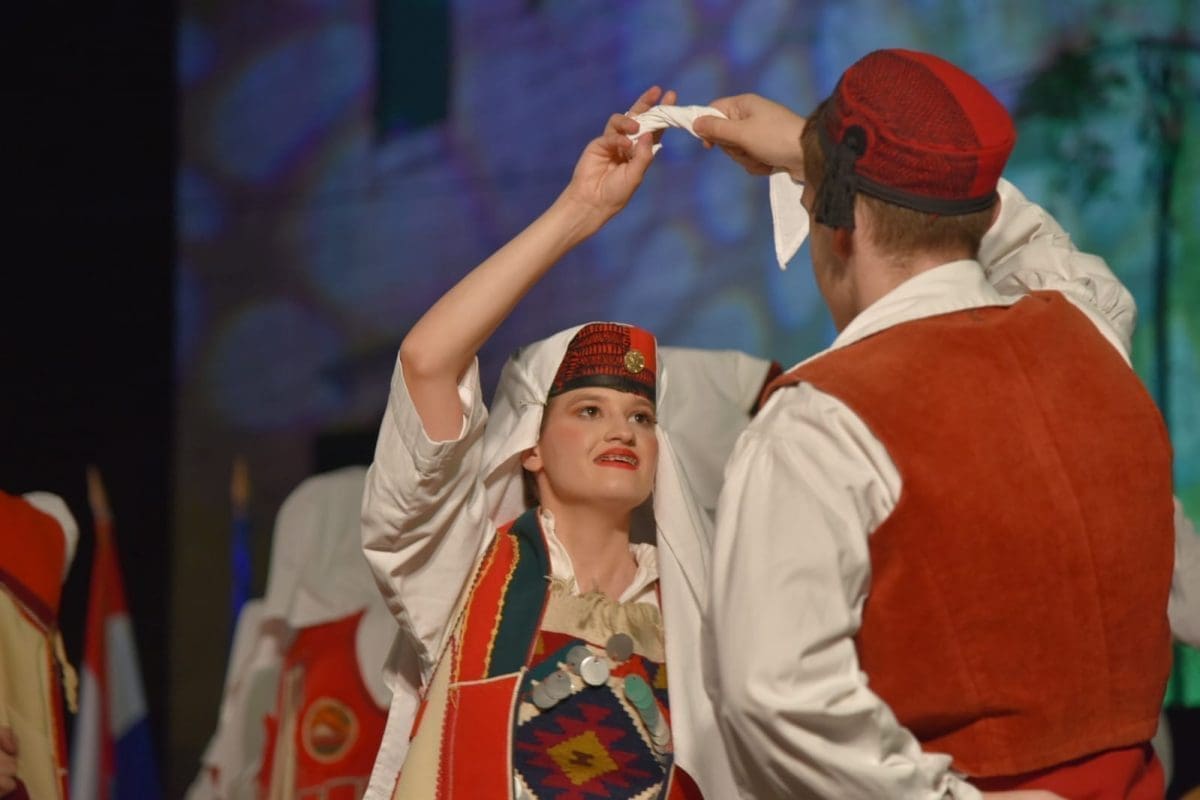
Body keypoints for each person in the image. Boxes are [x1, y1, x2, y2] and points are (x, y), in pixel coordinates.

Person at [692, 49, 1174, 798]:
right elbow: (1035, 242)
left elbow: (773, 693)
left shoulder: (816, 423)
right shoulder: (1089, 330)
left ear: (839, 223)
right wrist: (820, 156)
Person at [360, 87, 740, 799]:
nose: (622, 430)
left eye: (641, 417)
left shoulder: (695, 609)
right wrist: (580, 211)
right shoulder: (463, 574)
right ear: (529, 447)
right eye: (589, 410)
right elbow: (427, 362)